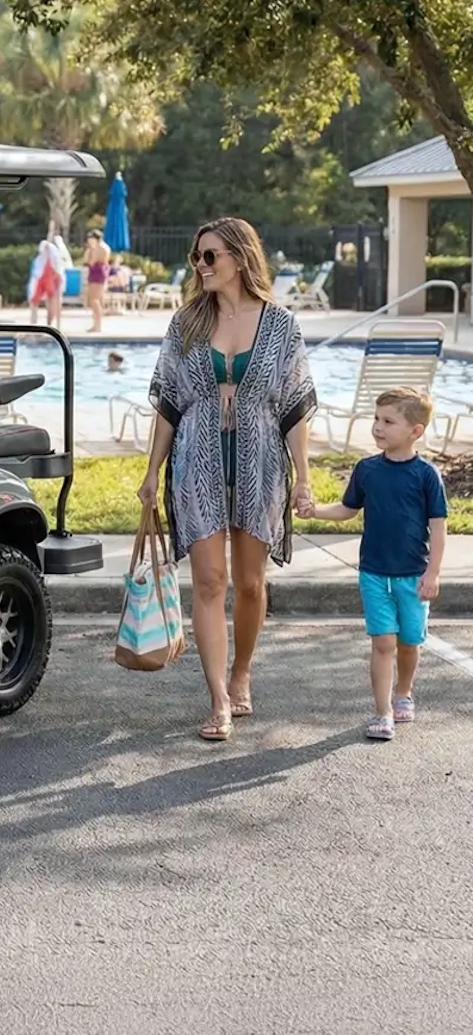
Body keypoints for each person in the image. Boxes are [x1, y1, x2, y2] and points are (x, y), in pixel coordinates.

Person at [136, 216, 316, 742]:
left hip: (262, 463)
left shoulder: (281, 325)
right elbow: (169, 404)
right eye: (196, 256)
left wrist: (303, 477)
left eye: (210, 255)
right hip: (196, 461)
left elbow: (294, 407)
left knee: (250, 583)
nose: (201, 265)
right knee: (210, 581)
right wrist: (151, 473)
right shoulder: (186, 323)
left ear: (240, 257)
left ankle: (242, 672)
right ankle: (217, 698)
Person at [296, 386, 447, 740]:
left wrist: (433, 573)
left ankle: (403, 692)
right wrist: (315, 511)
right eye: (376, 419)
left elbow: (439, 528)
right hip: (374, 574)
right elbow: (348, 509)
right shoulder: (367, 469)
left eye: (388, 421)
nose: (378, 427)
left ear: (415, 431)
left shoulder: (427, 476)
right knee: (382, 644)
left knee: (409, 642)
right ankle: (383, 713)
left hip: (413, 576)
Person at [27, 224, 65, 327]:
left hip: (53, 276)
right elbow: (43, 248)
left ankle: (51, 324)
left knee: (53, 300)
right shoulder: (44, 247)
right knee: (34, 301)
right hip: (42, 276)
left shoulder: (59, 245)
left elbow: (60, 261)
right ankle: (33, 323)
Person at [84, 230, 111, 333]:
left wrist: (90, 250)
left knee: (94, 299)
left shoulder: (98, 248)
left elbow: (90, 261)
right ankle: (97, 324)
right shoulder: (105, 247)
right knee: (98, 299)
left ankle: (97, 325)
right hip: (101, 273)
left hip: (97, 273)